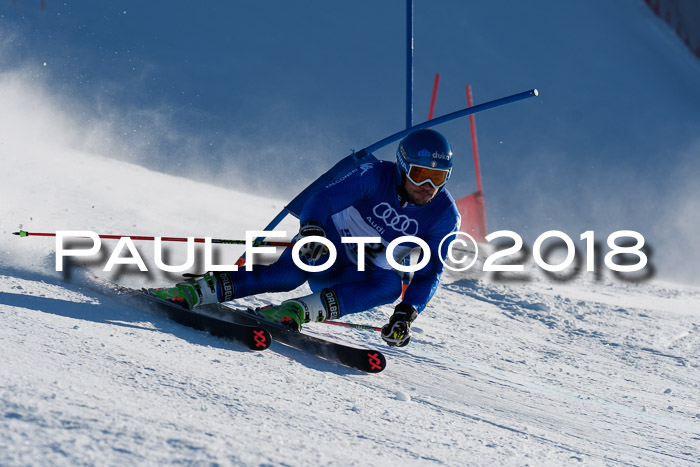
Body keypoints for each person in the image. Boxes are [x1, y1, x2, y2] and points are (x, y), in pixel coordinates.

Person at [152, 128, 461, 347]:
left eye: (439, 177)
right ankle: (200, 290)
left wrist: (406, 315)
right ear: (403, 166)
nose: (428, 186)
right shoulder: (374, 175)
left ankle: (295, 311)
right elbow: (322, 199)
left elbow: (430, 271)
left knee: (389, 285)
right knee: (294, 270)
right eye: (420, 175)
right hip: (329, 241)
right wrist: (312, 229)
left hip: (358, 269)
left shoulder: (444, 214)